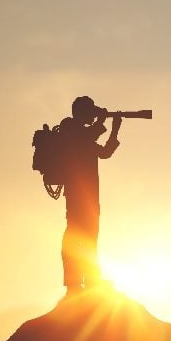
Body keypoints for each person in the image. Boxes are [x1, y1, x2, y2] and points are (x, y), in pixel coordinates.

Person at [60, 96, 122, 296]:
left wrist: (114, 129)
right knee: (76, 237)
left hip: (90, 198)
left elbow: (104, 153)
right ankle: (74, 281)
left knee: (90, 237)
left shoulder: (85, 135)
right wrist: (101, 122)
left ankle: (91, 279)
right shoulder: (69, 128)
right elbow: (85, 138)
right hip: (77, 196)